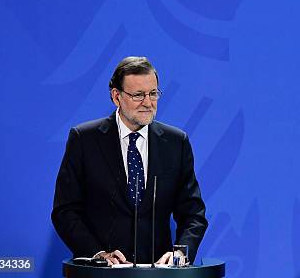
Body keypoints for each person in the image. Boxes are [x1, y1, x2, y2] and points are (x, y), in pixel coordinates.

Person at [52, 56, 208, 265]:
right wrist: (97, 254)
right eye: (138, 95)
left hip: (158, 274)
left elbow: (193, 214)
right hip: (101, 274)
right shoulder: (84, 139)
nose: (148, 103)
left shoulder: (176, 142)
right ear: (116, 96)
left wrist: (180, 254)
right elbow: (65, 211)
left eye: (153, 94)